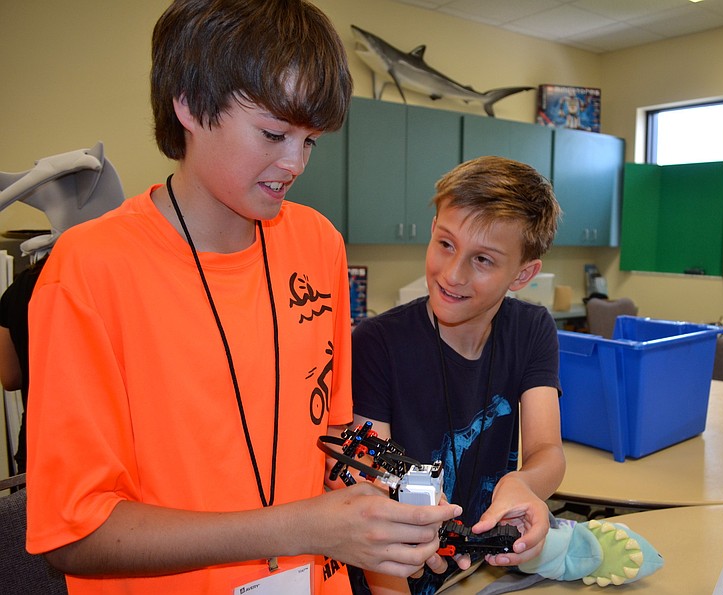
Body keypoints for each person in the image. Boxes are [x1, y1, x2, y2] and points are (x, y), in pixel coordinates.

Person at [24, 1, 461, 594]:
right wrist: (298, 527)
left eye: (311, 141)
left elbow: (338, 441)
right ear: (188, 104)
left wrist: (407, 501)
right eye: (274, 134)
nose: (294, 163)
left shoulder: (316, 243)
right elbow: (74, 535)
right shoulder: (90, 269)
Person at [350, 156, 567, 594]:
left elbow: (547, 450)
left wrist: (523, 483)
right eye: (446, 244)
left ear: (522, 274)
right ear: (432, 230)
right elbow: (366, 483)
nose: (452, 274)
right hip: (389, 576)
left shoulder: (531, 329)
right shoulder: (376, 343)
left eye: (483, 260)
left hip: (470, 573)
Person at [0, 256, 47, 473]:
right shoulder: (109, 277)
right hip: (96, 447)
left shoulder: (20, 286)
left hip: (36, 441)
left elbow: (10, 377)